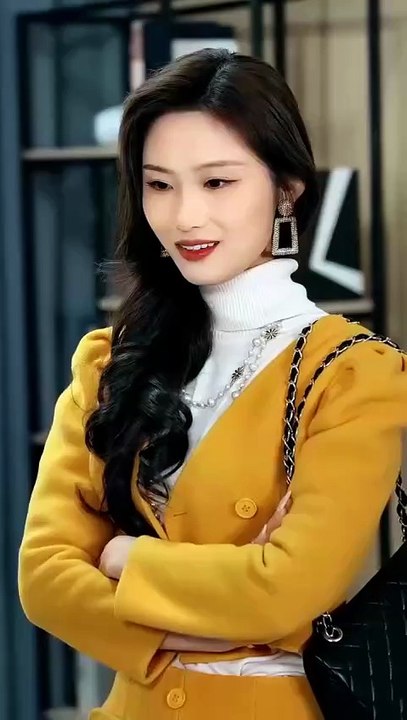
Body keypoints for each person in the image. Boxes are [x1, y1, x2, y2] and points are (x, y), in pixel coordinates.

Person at [18, 48, 407, 720]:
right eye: (159, 185)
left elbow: (284, 593)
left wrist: (123, 555)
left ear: (287, 188)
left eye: (217, 182)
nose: (185, 216)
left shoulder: (353, 373)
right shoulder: (109, 361)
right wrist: (202, 626)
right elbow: (44, 579)